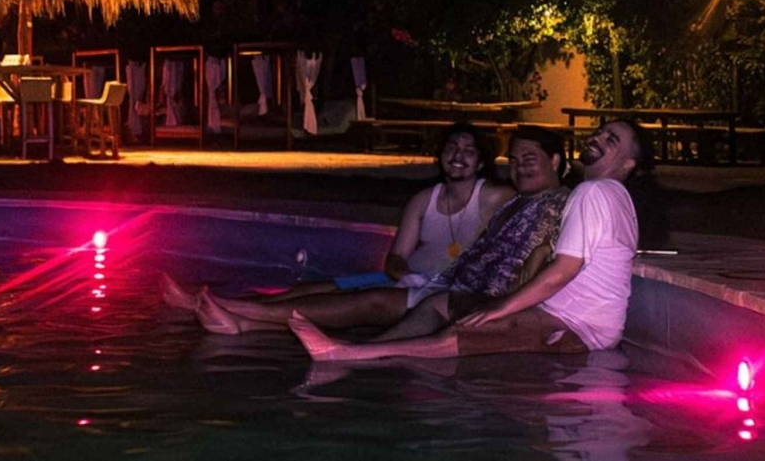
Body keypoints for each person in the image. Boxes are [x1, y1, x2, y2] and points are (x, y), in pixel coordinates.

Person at [288, 119, 651, 362]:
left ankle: (347, 355)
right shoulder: (610, 196)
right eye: (600, 132)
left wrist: (500, 308)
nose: (598, 138)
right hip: (568, 314)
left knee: (468, 329)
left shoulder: (593, 193)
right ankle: (364, 348)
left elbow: (563, 269)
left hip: (580, 326)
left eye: (612, 140)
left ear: (629, 163)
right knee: (440, 305)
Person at [182, 127, 570, 337]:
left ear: (482, 161)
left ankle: (237, 312)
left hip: (446, 285)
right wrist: (405, 274)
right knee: (328, 287)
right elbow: (396, 257)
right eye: (451, 149)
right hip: (413, 279)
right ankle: (233, 308)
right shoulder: (424, 199)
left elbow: (535, 241)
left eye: (469, 151)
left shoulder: (502, 197)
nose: (458, 157)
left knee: (359, 301)